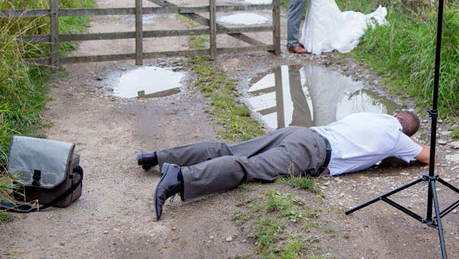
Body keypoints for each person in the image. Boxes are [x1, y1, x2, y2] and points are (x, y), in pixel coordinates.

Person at [136, 111, 430, 220]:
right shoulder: (397, 137)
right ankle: (180, 178)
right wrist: (407, 148)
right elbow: (429, 157)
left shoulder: (373, 115)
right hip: (312, 152)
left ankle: (158, 156)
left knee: (228, 149)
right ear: (407, 131)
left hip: (301, 133)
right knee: (247, 168)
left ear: (394, 114)